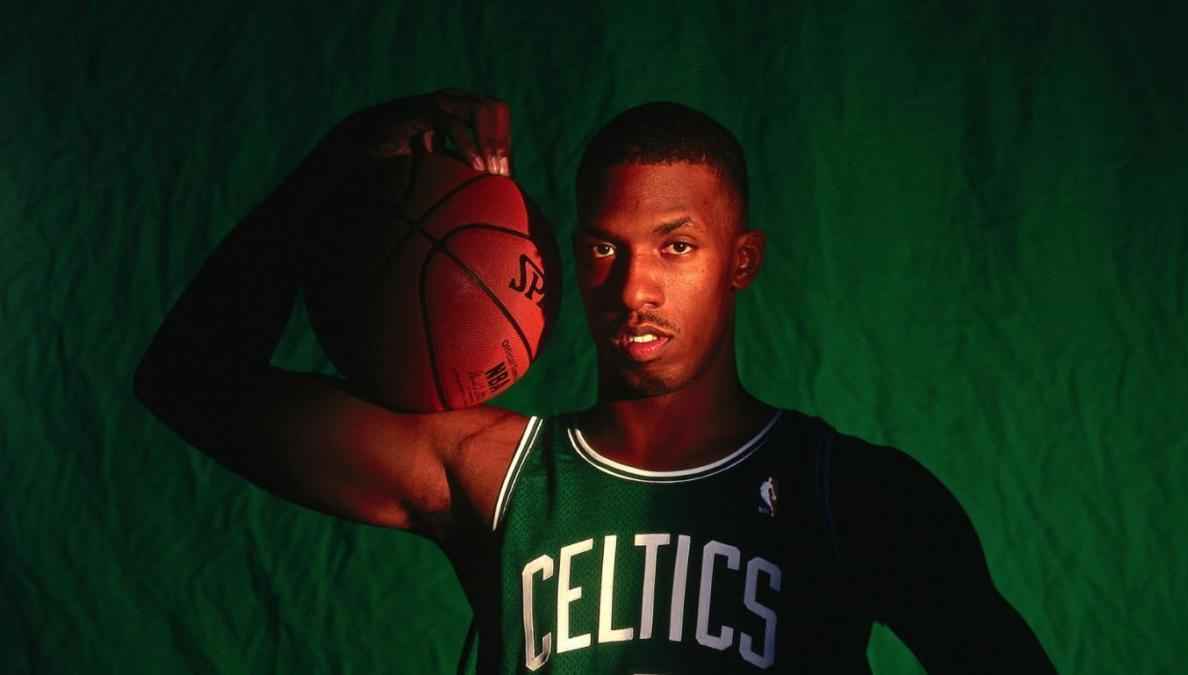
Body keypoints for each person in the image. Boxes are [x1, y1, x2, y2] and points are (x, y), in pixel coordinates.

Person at [134, 90, 1057, 673]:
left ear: (741, 261)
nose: (634, 288)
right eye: (605, 249)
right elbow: (188, 379)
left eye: (676, 247)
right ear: (570, 260)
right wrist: (341, 159)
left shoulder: (852, 495)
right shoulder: (495, 473)